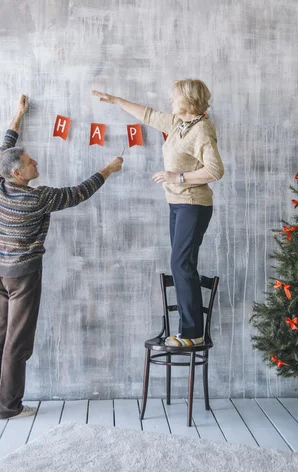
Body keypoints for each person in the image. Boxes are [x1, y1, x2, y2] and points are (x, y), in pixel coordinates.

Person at [0, 95, 123, 419]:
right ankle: (9, 407)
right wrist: (108, 169)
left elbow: (5, 147)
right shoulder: (38, 198)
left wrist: (18, 114)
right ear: (17, 174)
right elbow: (79, 193)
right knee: (17, 341)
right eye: (31, 164)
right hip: (23, 275)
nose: (37, 165)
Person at [92, 79, 224, 347]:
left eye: (175, 97)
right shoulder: (180, 124)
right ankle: (189, 330)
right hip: (177, 204)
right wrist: (116, 100)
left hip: (193, 204)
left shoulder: (202, 130)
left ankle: (192, 334)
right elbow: (148, 115)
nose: (171, 101)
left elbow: (216, 170)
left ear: (188, 101)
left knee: (181, 264)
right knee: (182, 264)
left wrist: (179, 177)